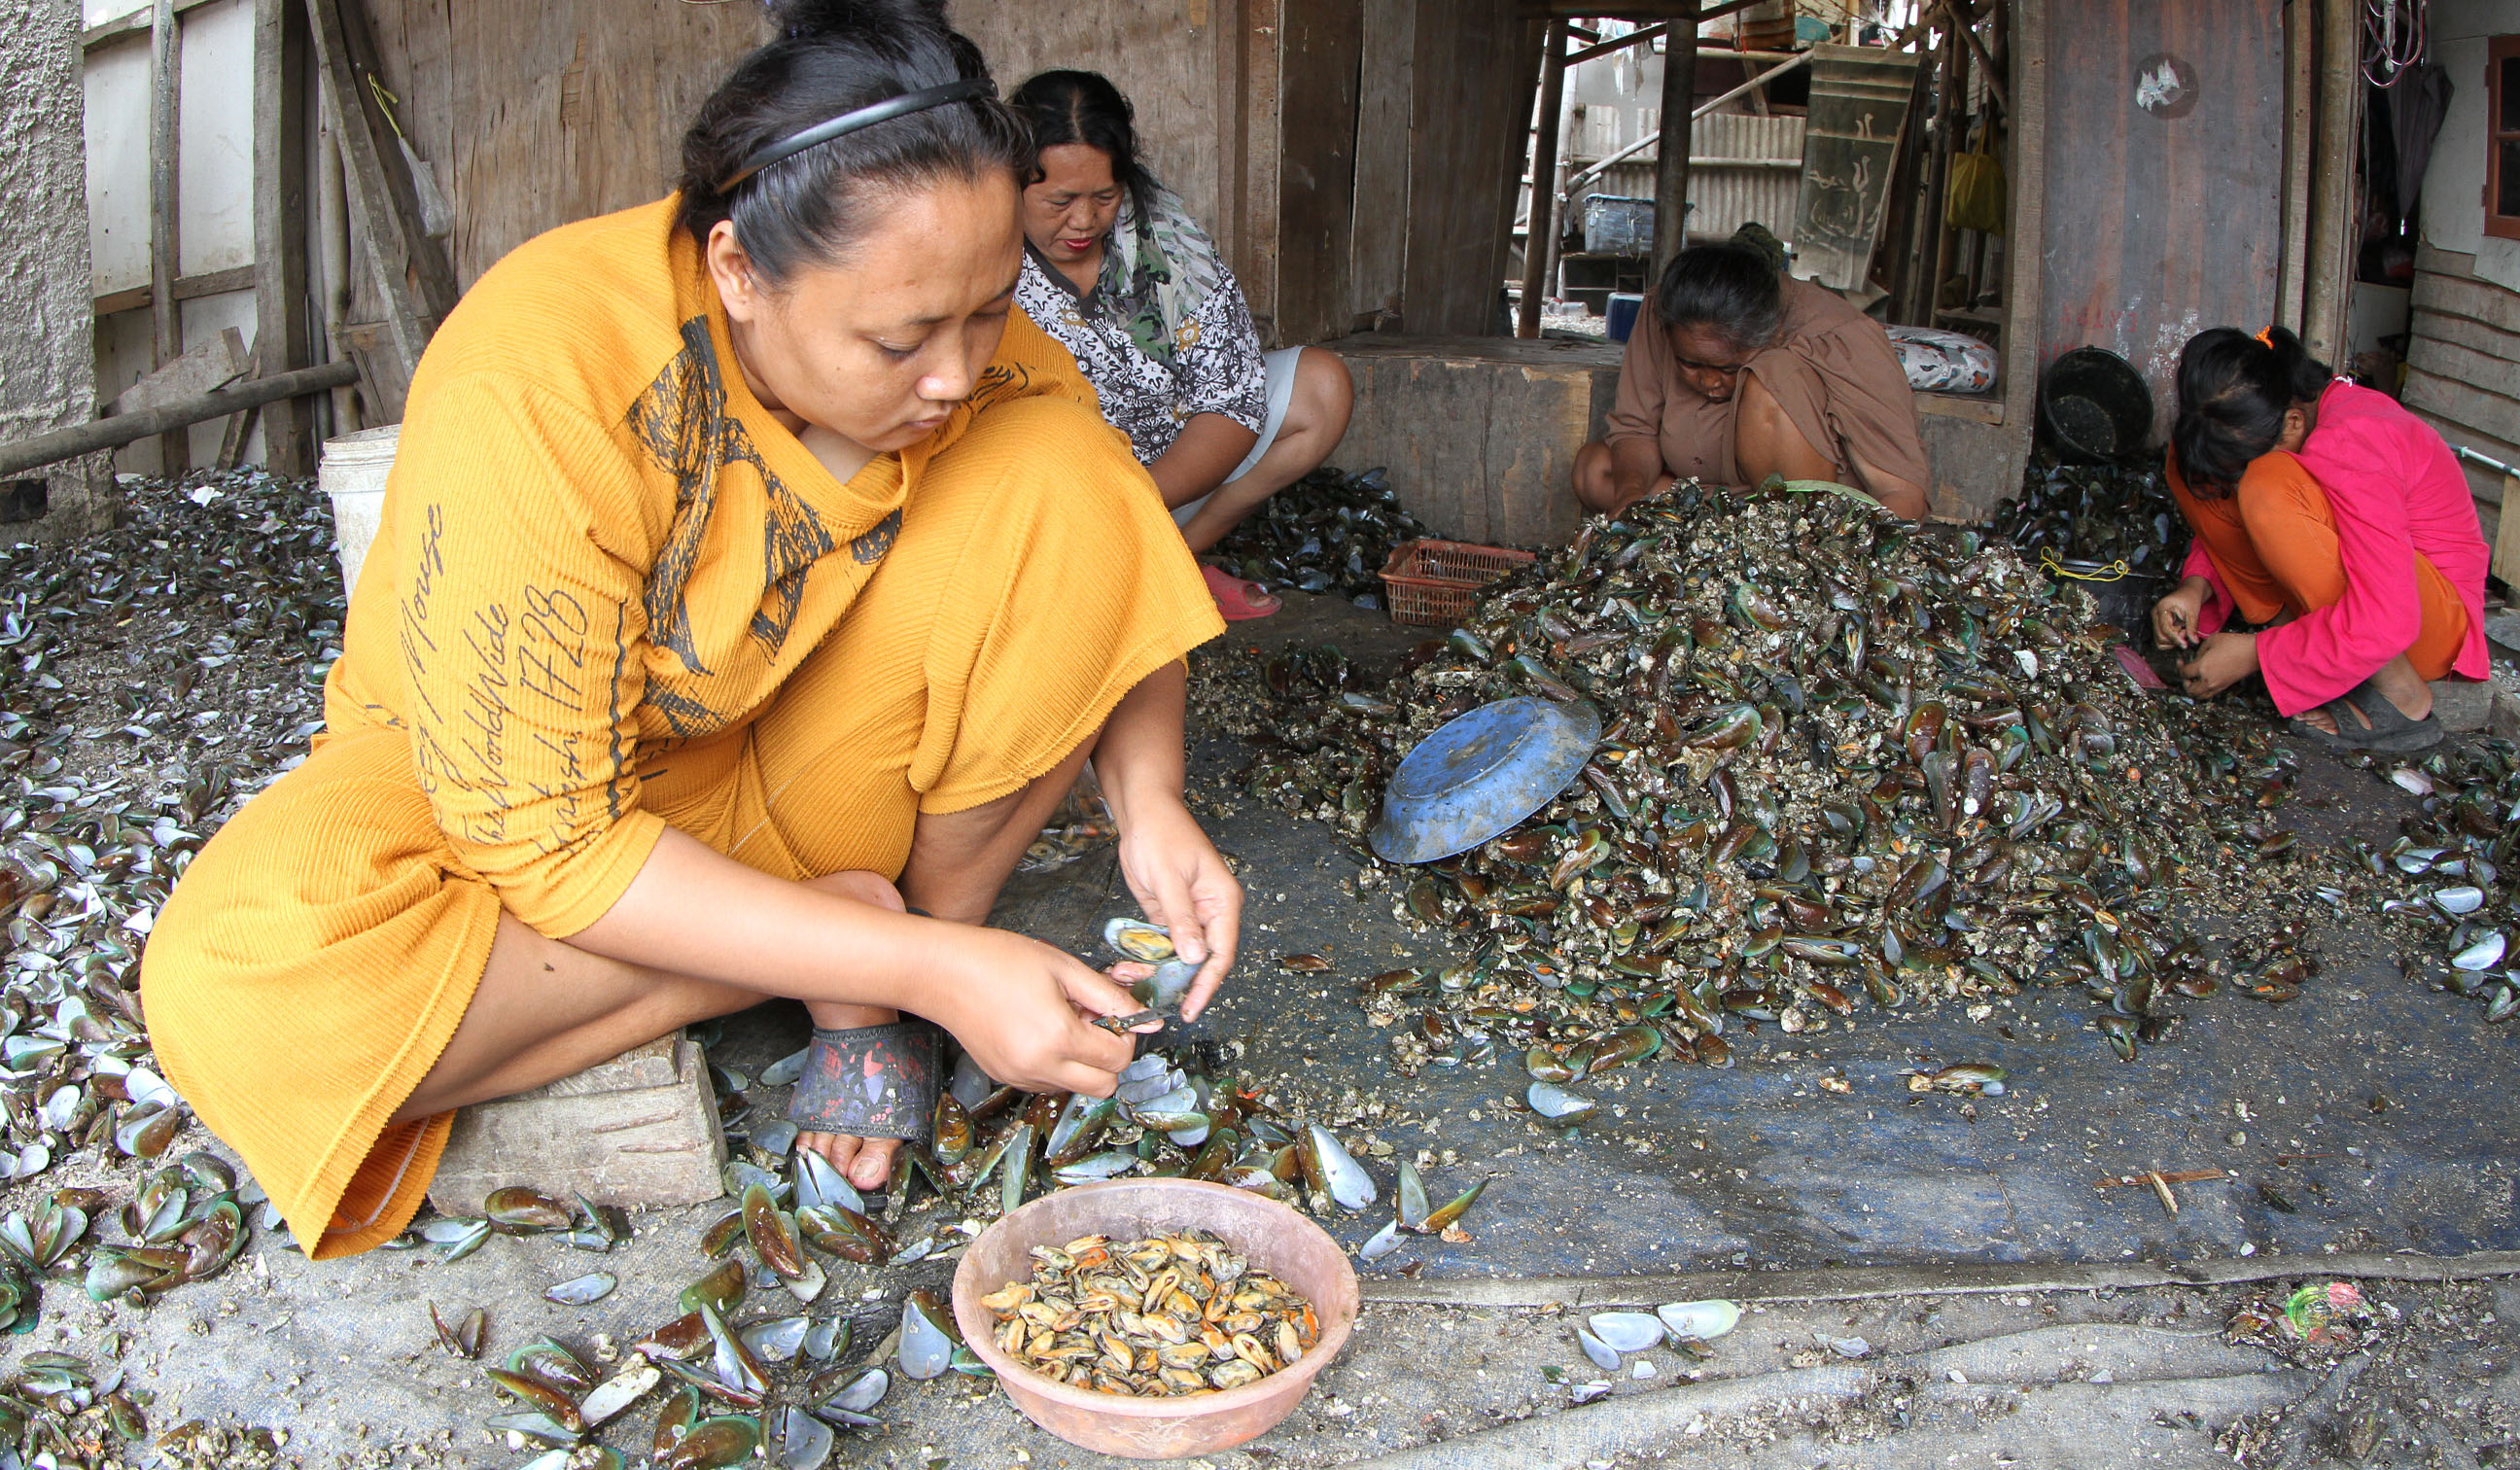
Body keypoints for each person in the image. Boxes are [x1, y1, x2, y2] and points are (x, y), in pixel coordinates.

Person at [137, 0, 1244, 1258]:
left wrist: (1151, 798)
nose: (954, 371)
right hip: (501, 804)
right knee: (238, 992)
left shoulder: (955, 316)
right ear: (737, 271)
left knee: (1067, 469)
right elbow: (549, 846)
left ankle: (885, 950)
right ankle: (879, 955)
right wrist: (931, 969)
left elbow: (1114, 545)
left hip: (793, 750)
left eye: (989, 311)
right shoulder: (549, 383)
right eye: (899, 339)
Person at [1008, 70, 1354, 621]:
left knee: (1322, 388)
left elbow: (1232, 391)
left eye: (1104, 196)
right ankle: (1133, 575)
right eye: (1058, 201)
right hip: (1057, 505)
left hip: (1165, 477)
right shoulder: (982, 255)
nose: (1083, 220)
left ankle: (1175, 560)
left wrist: (1134, 501)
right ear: (1012, 180)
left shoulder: (1161, 231)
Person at [2152, 326, 2486, 752]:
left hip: (2425, 628)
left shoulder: (2352, 439)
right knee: (2190, 460)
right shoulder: (2295, 416)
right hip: (2372, 602)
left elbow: (2391, 618)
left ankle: (2402, 695)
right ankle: (2302, 636)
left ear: (2292, 422)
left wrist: (2257, 654)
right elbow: (2228, 511)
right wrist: (2195, 588)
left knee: (2267, 483)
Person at [1571, 234, 1930, 520]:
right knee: (1595, 470)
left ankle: (1779, 539)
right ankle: (1723, 533)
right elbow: (1636, 429)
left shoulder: (1842, 337)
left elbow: (1903, 494)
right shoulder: (1662, 311)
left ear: (1771, 333)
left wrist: (1843, 551)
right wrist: (1631, 496)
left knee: (1773, 380)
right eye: (1689, 365)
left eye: (1727, 369)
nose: (1710, 383)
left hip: (1804, 514)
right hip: (1711, 498)